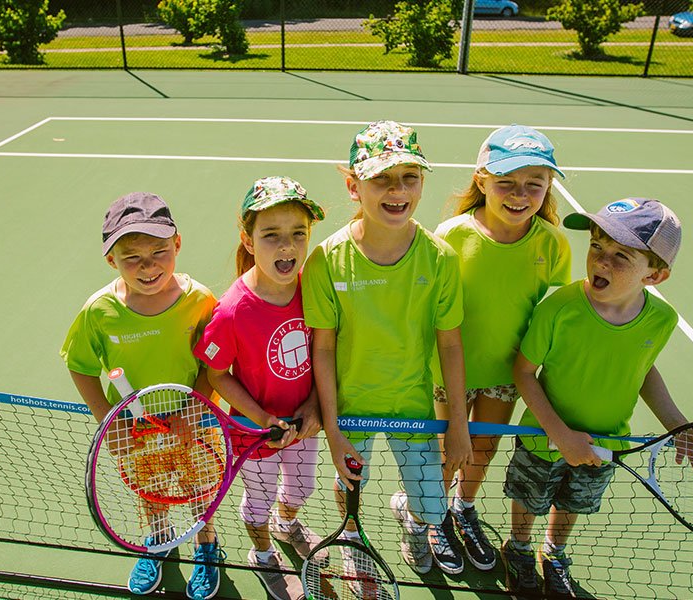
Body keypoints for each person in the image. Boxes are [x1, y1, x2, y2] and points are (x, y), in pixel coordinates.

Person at [506, 198, 693, 596]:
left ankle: (553, 553)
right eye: (597, 246)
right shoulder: (559, 309)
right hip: (543, 439)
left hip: (608, 442)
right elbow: (523, 372)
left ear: (655, 276)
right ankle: (518, 549)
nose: (601, 261)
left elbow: (644, 372)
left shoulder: (661, 319)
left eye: (621, 255)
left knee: (572, 503)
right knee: (530, 500)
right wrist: (561, 434)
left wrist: (679, 426)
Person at [302, 120, 472, 579]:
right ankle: (352, 533)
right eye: (381, 178)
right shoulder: (325, 260)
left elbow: (451, 345)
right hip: (351, 408)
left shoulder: (440, 259)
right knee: (350, 484)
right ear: (353, 185)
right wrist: (334, 429)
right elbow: (323, 347)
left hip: (411, 405)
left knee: (433, 507)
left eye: (409, 177)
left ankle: (415, 525)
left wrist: (457, 423)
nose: (397, 190)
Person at [60, 192, 223, 599]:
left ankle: (207, 547)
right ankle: (159, 541)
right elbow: (80, 365)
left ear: (178, 245)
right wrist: (108, 422)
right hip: (135, 429)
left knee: (201, 492)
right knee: (151, 495)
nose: (148, 266)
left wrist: (193, 410)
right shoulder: (98, 312)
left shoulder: (200, 302)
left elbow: (212, 366)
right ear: (111, 260)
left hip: (195, 421)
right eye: (132, 257)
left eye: (159, 251)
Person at [432, 124, 572, 573]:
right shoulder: (451, 235)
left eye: (535, 183)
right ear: (481, 180)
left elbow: (555, 313)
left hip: (506, 374)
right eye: (507, 182)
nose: (520, 194)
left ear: (549, 187)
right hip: (444, 373)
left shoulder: (552, 243)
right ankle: (433, 513)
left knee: (484, 448)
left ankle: (463, 508)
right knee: (444, 451)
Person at [193, 176, 326, 600]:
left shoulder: (315, 289)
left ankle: (287, 525)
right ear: (248, 241)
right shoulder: (231, 310)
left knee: (302, 489)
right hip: (254, 433)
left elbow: (325, 352)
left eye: (297, 234)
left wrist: (312, 405)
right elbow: (216, 374)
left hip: (304, 424)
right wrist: (261, 418)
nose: (286, 247)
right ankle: (264, 553)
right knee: (259, 501)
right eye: (271, 235)